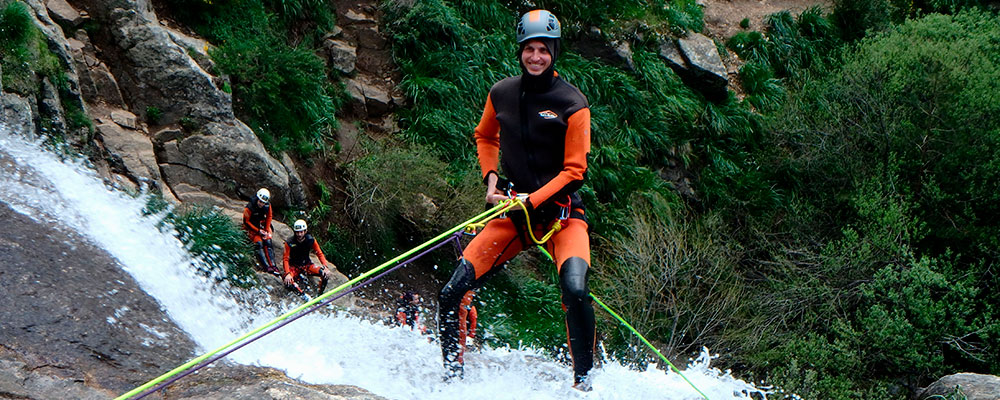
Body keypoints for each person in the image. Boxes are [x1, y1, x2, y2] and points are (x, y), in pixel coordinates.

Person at [437, 9, 596, 390]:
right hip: (514, 213)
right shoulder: (502, 94)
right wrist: (491, 178)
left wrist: (532, 200)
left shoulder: (573, 103)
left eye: (543, 49)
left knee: (575, 291)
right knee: (451, 292)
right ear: (520, 51)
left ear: (554, 52)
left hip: (562, 217)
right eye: (529, 49)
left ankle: (585, 384)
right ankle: (451, 380)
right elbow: (485, 136)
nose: (536, 57)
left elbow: (575, 171)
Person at [282, 219, 334, 297]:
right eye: (297, 232)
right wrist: (288, 273)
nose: (299, 234)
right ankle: (304, 296)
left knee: (324, 274)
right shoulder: (290, 242)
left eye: (301, 232)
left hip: (307, 265)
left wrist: (325, 266)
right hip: (294, 267)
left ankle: (319, 295)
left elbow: (319, 253)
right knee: (288, 281)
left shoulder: (311, 240)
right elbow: (285, 259)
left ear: (305, 231)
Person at [243, 188, 280, 275]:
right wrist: (258, 231)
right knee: (259, 244)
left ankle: (273, 265)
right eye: (260, 202)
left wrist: (266, 229)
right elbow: (246, 222)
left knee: (268, 241)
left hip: (262, 226)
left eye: (263, 202)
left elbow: (269, 216)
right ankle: (266, 266)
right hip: (252, 228)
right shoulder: (249, 208)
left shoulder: (267, 205)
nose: (261, 204)